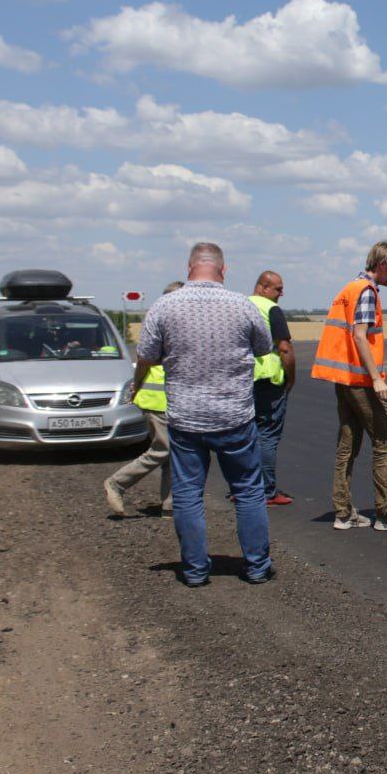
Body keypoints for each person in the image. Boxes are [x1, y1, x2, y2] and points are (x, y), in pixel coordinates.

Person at [134, 243, 276, 587]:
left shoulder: (164, 307)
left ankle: (196, 570)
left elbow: (146, 356)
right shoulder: (242, 306)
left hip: (186, 418)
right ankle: (257, 566)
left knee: (187, 494)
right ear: (223, 270)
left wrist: (140, 383)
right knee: (247, 490)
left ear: (189, 267)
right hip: (234, 417)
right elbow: (264, 348)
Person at [312, 240, 387, 532]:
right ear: (383, 264)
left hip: (344, 380)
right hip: (361, 381)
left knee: (346, 446)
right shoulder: (367, 291)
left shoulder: (349, 288)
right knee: (385, 444)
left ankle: (343, 513)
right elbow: (360, 336)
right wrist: (376, 379)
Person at [104, 280, 183, 516]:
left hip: (173, 399)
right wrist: (136, 389)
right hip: (157, 398)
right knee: (164, 449)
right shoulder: (161, 324)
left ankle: (171, 505)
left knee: (174, 453)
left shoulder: (172, 322)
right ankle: (117, 483)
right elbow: (145, 360)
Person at [249, 271, 295, 506]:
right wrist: (291, 377)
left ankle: (244, 487)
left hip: (241, 380)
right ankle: (267, 491)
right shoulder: (271, 309)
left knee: (246, 436)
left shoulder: (241, 305)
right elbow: (284, 348)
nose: (281, 293)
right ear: (264, 287)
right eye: (278, 288)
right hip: (268, 379)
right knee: (267, 435)